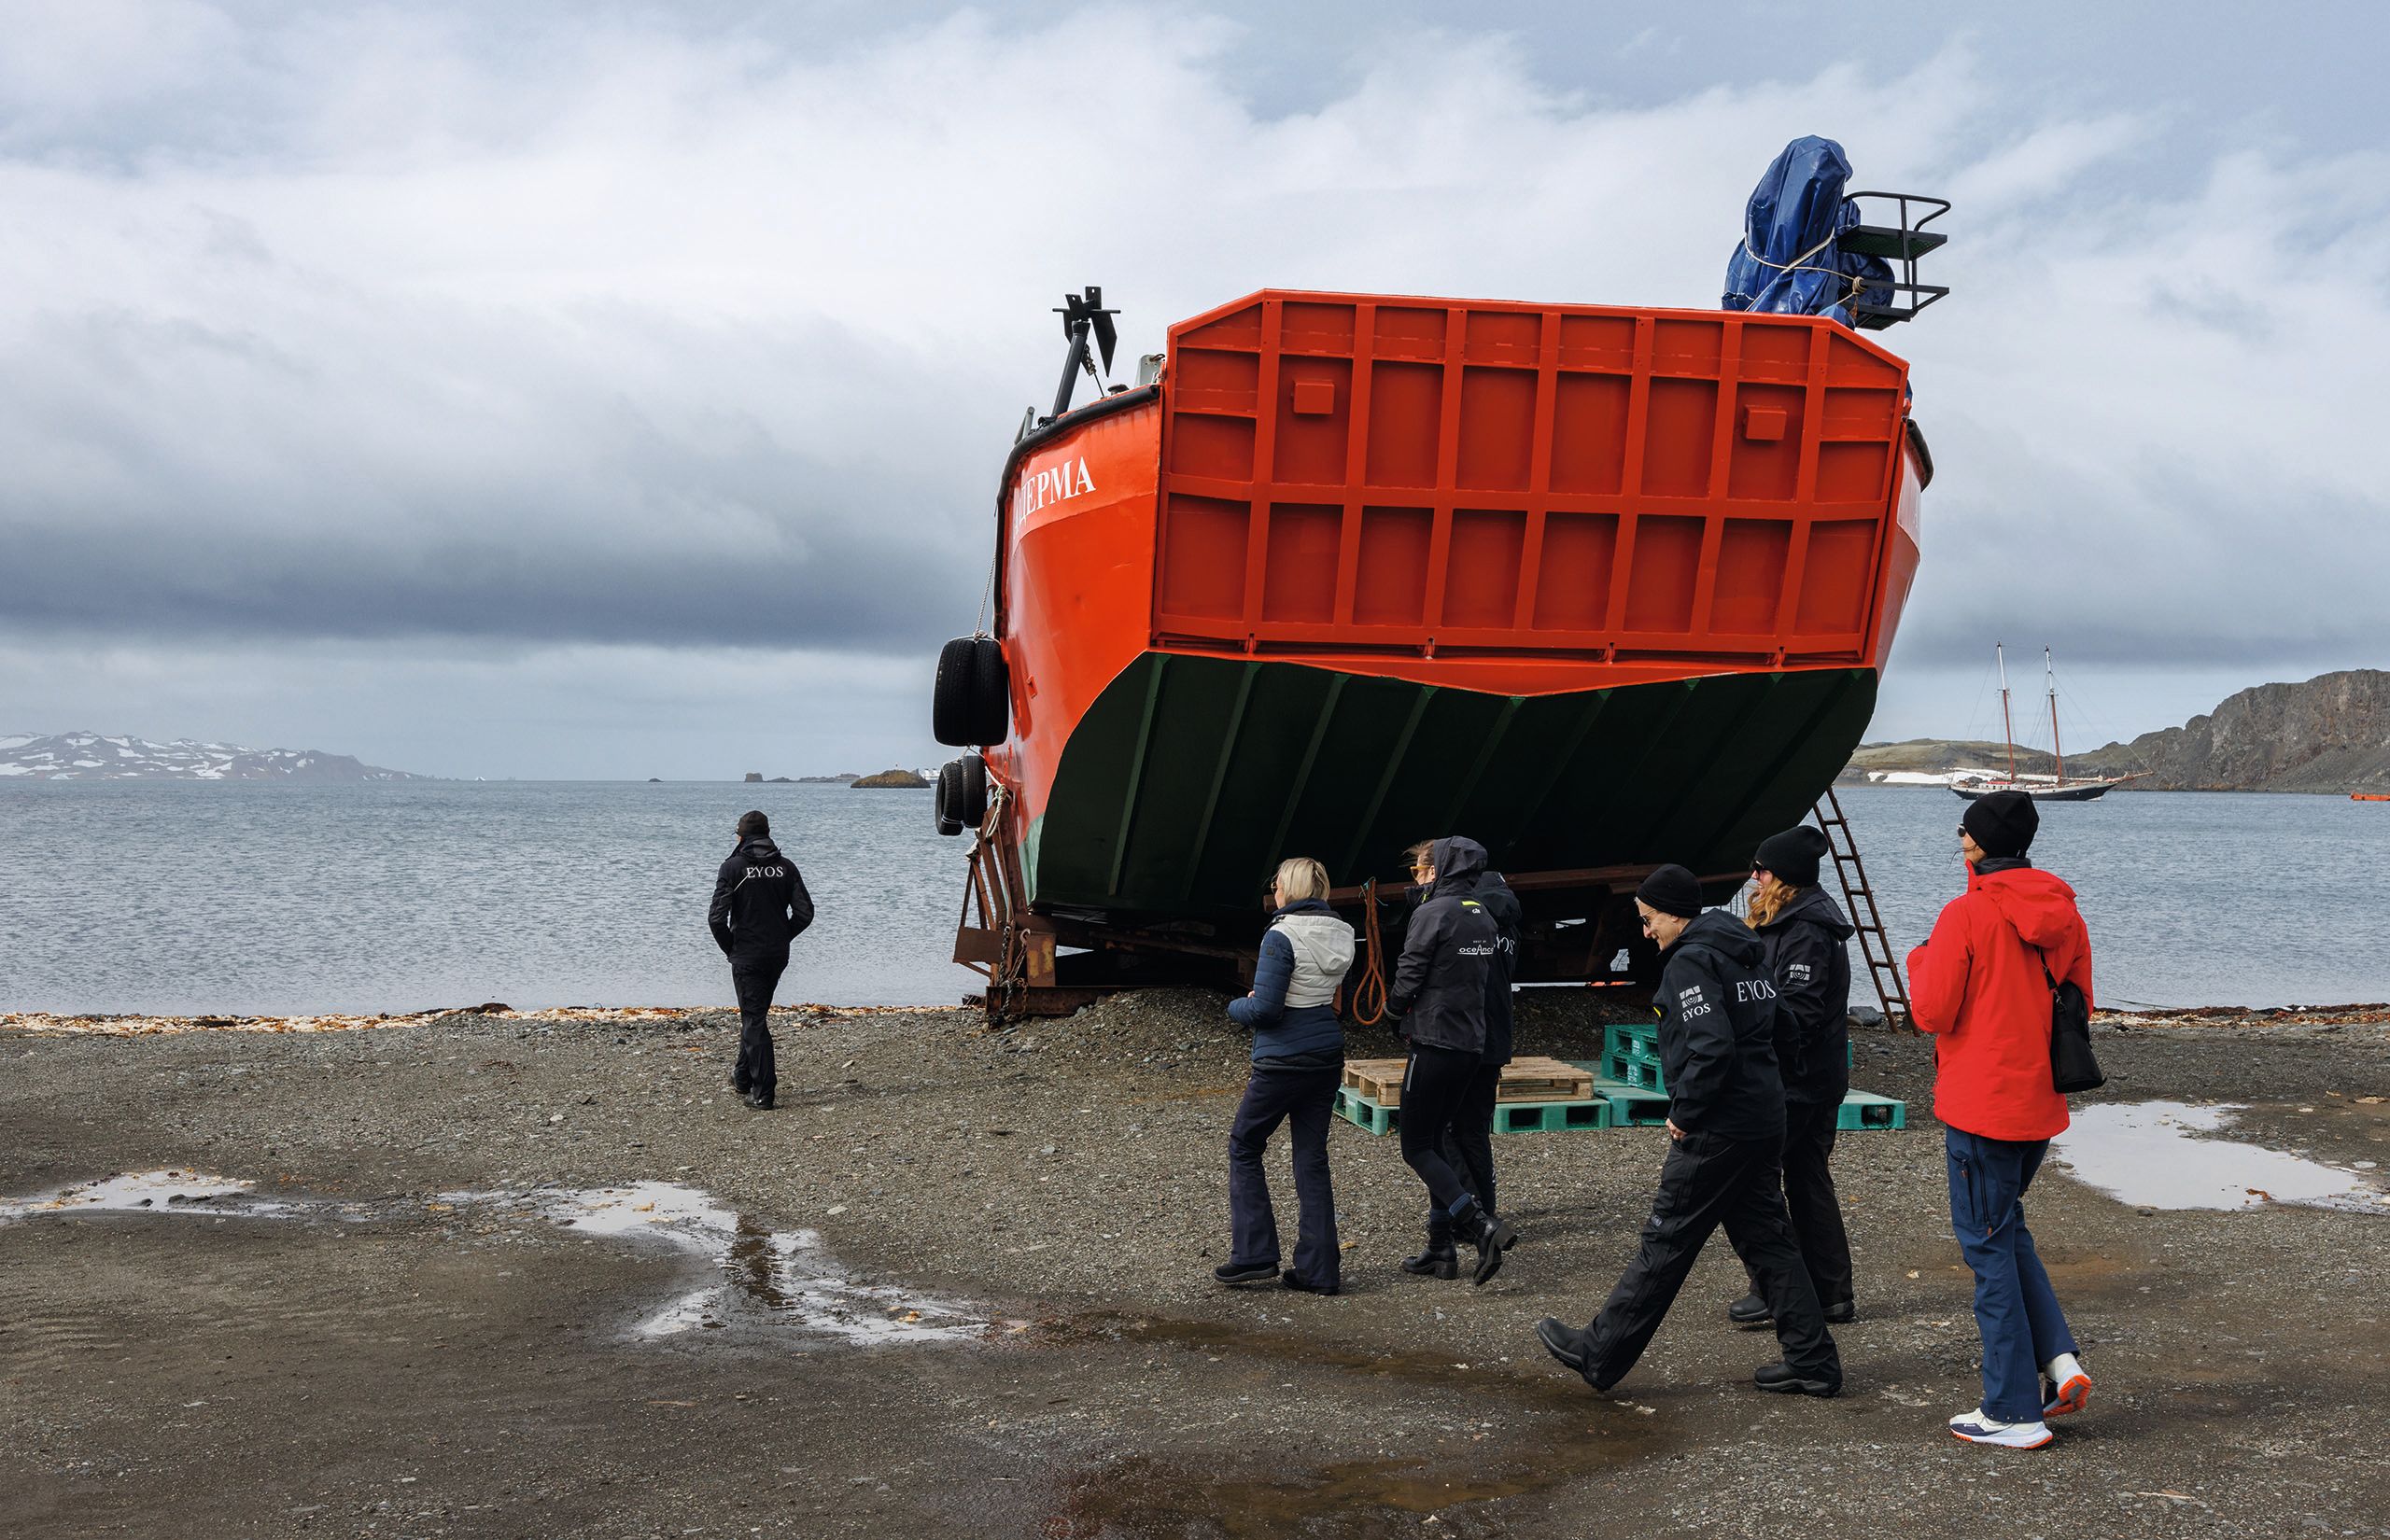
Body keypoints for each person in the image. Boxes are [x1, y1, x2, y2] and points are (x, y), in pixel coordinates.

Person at [1534, 865, 1842, 1397]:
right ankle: (1813, 1360)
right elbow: (1786, 1027)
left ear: (1676, 913)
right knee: (1768, 1239)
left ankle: (1600, 1352)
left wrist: (1686, 1111)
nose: (1646, 931)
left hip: (1720, 1126)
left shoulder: (1692, 964)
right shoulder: (1746, 951)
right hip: (1763, 1116)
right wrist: (1772, 1088)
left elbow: (1712, 1048)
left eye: (1650, 920)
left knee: (1668, 1237)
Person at [1906, 790, 2094, 1449]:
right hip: (2036, 1103)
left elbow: (1931, 1011)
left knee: (1988, 1249)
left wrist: (1921, 957)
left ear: (1980, 843)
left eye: (1965, 831)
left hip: (1982, 1105)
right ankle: (2058, 1362)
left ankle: (2013, 1410)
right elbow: (2079, 1004)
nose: (1959, 839)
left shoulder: (1966, 915)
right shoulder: (2064, 913)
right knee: (2006, 1232)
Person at [1725, 824, 1859, 1329]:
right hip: (1812, 1078)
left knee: (1757, 1183)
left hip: (1798, 1082)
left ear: (1782, 877)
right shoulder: (1792, 921)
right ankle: (1829, 1293)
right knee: (1806, 1180)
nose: (1753, 878)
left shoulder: (1805, 930)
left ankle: (1776, 1289)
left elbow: (1795, 1013)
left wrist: (1752, 1063)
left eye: (1760, 870)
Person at [1214, 857, 1357, 1295]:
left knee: (1245, 1145)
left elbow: (1266, 1010)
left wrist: (1237, 1005)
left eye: (1276, 883)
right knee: (1311, 1159)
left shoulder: (1281, 935)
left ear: (1288, 888)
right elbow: (1320, 994)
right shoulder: (1344, 933)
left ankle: (1254, 1255)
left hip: (1283, 1060)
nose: (1273, 890)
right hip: (1325, 1055)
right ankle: (1319, 1271)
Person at [1386, 836, 1516, 1285]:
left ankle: (1481, 1226)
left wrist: (1393, 1009)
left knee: (1416, 1145)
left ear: (1439, 867)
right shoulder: (1481, 914)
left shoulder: (1432, 913)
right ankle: (1440, 1249)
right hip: (1471, 1043)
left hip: (1433, 1040)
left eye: (1421, 871)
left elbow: (1412, 968)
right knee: (1439, 1140)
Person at [707, 810, 815, 1110]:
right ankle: (742, 1076)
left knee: (753, 1019)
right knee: (755, 1014)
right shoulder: (786, 867)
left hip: (747, 955)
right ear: (767, 835)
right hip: (777, 955)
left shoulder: (732, 868)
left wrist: (732, 948)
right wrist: (783, 937)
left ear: (741, 837)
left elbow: (716, 919)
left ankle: (764, 1092)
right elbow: (806, 913)